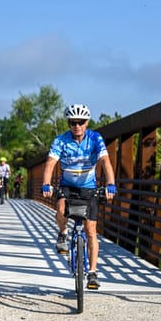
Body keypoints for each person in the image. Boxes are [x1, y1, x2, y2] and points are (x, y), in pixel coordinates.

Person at [42, 103, 116, 290]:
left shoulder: (95, 138)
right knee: (60, 209)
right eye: (73, 122)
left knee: (91, 231)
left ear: (87, 122)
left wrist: (110, 184)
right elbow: (51, 163)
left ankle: (92, 272)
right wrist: (46, 184)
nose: (77, 126)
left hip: (88, 188)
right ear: (68, 123)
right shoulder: (61, 140)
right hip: (67, 186)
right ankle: (63, 233)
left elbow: (105, 161)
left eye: (81, 122)